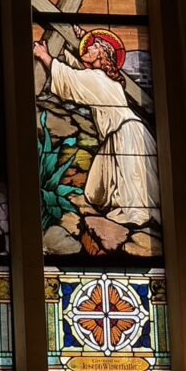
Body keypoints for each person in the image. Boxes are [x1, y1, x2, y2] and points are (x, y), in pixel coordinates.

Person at [33, 30, 160, 227]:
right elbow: (78, 73)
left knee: (134, 193)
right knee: (98, 191)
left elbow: (72, 78)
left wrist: (44, 56)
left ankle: (138, 219)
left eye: (93, 46)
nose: (87, 47)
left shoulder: (98, 79)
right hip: (121, 133)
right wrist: (73, 40)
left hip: (126, 134)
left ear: (102, 55)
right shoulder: (103, 79)